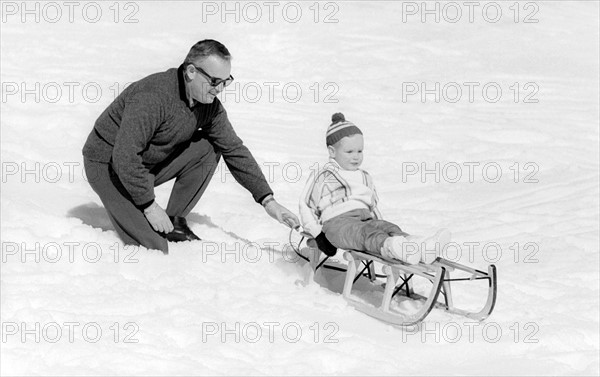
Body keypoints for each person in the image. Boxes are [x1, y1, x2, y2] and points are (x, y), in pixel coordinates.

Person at [82, 39, 299, 254]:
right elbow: (125, 156)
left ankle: (174, 221)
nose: (220, 89)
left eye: (226, 82)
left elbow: (234, 148)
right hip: (109, 167)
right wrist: (149, 206)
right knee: (154, 250)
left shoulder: (209, 106)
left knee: (209, 147)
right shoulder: (152, 97)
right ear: (192, 71)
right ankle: (149, 217)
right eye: (215, 81)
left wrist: (268, 201)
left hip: (146, 164)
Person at [298, 113, 450, 264]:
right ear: (332, 152)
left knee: (388, 228)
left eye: (359, 151)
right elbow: (305, 204)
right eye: (349, 152)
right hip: (338, 223)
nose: (356, 157)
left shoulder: (365, 176)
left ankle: (420, 246)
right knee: (365, 234)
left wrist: (380, 223)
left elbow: (372, 205)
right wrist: (318, 234)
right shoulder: (324, 174)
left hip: (366, 218)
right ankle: (391, 246)